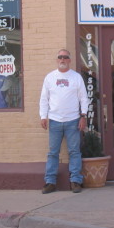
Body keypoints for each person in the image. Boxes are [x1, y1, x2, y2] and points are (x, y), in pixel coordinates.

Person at [39, 49, 88, 194]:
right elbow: (44, 98)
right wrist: (43, 116)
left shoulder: (76, 77)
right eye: (60, 57)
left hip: (73, 120)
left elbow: (83, 98)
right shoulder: (49, 77)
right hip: (54, 120)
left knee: (74, 152)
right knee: (53, 153)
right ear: (57, 60)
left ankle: (75, 181)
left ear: (69, 60)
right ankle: (50, 182)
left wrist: (83, 115)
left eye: (65, 57)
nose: (62, 59)